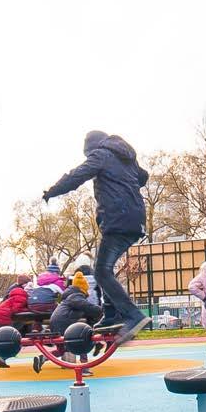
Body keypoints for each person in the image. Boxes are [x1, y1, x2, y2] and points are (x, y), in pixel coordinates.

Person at [42, 131, 150, 343]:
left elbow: (77, 175)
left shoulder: (101, 154)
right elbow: (143, 176)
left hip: (118, 220)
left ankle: (133, 315)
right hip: (135, 220)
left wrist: (52, 191)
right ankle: (111, 314)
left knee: (101, 271)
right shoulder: (127, 158)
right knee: (105, 268)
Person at [33, 271, 103, 375]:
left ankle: (42, 358)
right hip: (64, 323)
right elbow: (86, 306)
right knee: (82, 340)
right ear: (83, 288)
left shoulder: (69, 296)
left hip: (57, 322)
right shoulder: (76, 296)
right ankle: (84, 368)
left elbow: (83, 308)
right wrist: (102, 310)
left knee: (62, 350)